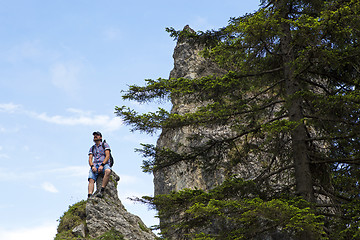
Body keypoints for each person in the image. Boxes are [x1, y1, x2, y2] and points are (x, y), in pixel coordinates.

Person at [88, 131, 112, 198]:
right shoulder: (92, 148)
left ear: (100, 137)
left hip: (104, 164)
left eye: (97, 135)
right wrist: (92, 166)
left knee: (108, 171)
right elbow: (90, 159)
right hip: (95, 165)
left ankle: (102, 190)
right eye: (94, 135)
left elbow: (107, 156)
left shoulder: (105, 145)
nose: (95, 136)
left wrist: (102, 165)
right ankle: (89, 195)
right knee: (91, 179)